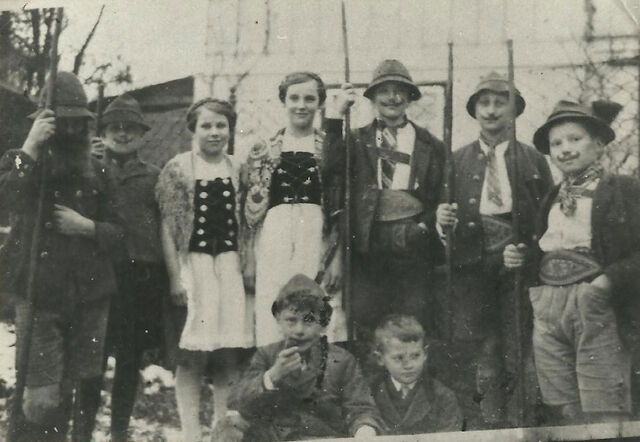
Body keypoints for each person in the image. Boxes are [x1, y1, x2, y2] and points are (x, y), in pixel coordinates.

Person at [0, 72, 123, 441]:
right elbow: (5, 197)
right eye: (61, 123)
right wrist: (30, 147)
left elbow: (122, 235)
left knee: (69, 390)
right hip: (40, 295)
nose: (70, 131)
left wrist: (87, 227)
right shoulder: (24, 162)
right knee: (39, 399)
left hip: (88, 296)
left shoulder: (100, 170)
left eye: (76, 123)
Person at [504, 100, 637, 424]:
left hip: (594, 303)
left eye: (575, 139)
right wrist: (521, 257)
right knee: (562, 404)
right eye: (556, 143)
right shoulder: (552, 197)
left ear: (599, 144)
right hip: (549, 307)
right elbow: (545, 249)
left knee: (603, 400)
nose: (565, 149)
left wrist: (606, 283)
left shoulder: (621, 189)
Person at [435, 72, 553, 427]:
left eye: (500, 103)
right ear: (474, 111)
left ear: (514, 109)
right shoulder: (457, 160)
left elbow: (547, 217)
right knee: (482, 347)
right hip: (472, 266)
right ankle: (488, 423)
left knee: (518, 345)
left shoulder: (532, 158)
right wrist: (443, 219)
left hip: (517, 265)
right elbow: (444, 214)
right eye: (484, 103)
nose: (491, 110)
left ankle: (522, 422)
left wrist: (528, 253)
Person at [156, 98, 253, 441]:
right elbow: (169, 228)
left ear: (230, 129)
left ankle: (222, 429)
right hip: (193, 268)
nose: (214, 132)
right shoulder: (179, 169)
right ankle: (190, 432)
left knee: (227, 353)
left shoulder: (238, 168)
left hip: (229, 268)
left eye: (221, 126)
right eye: (206, 126)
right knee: (192, 356)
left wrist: (247, 263)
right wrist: (175, 278)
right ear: (193, 130)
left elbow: (248, 222)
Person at [326, 59, 445, 335]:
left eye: (399, 90)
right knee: (366, 322)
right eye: (384, 91)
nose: (392, 98)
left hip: (413, 243)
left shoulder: (431, 144)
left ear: (410, 97)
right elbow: (329, 170)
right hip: (368, 245)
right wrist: (335, 117)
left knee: (413, 322)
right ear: (372, 98)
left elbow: (441, 193)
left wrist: (423, 226)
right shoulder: (356, 140)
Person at [89, 93, 171, 441]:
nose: (122, 134)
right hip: (99, 277)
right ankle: (82, 431)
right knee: (91, 361)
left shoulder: (155, 176)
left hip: (140, 281)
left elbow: (165, 229)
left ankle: (119, 432)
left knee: (128, 360)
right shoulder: (91, 171)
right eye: (115, 128)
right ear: (103, 133)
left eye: (130, 128)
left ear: (142, 135)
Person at [240, 71, 342, 347]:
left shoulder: (330, 147)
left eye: (309, 99)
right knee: (273, 301)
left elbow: (339, 207)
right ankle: (275, 366)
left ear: (320, 103)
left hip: (315, 233)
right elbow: (251, 210)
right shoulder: (263, 149)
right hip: (275, 233)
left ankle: (318, 369)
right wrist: (249, 258)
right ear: (283, 101)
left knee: (316, 299)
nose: (301, 105)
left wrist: (337, 258)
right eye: (294, 98)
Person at [224, 273, 383, 440]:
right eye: (291, 320)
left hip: (321, 438)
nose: (299, 330)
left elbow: (361, 408)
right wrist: (272, 376)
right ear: (278, 320)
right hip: (274, 439)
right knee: (229, 425)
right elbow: (237, 403)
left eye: (309, 321)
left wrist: (364, 430)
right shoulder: (266, 356)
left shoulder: (341, 361)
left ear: (323, 322)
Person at [371, 314, 462, 435]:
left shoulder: (442, 397)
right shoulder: (370, 393)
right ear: (380, 358)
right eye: (399, 358)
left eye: (415, 356)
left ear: (425, 354)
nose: (409, 365)